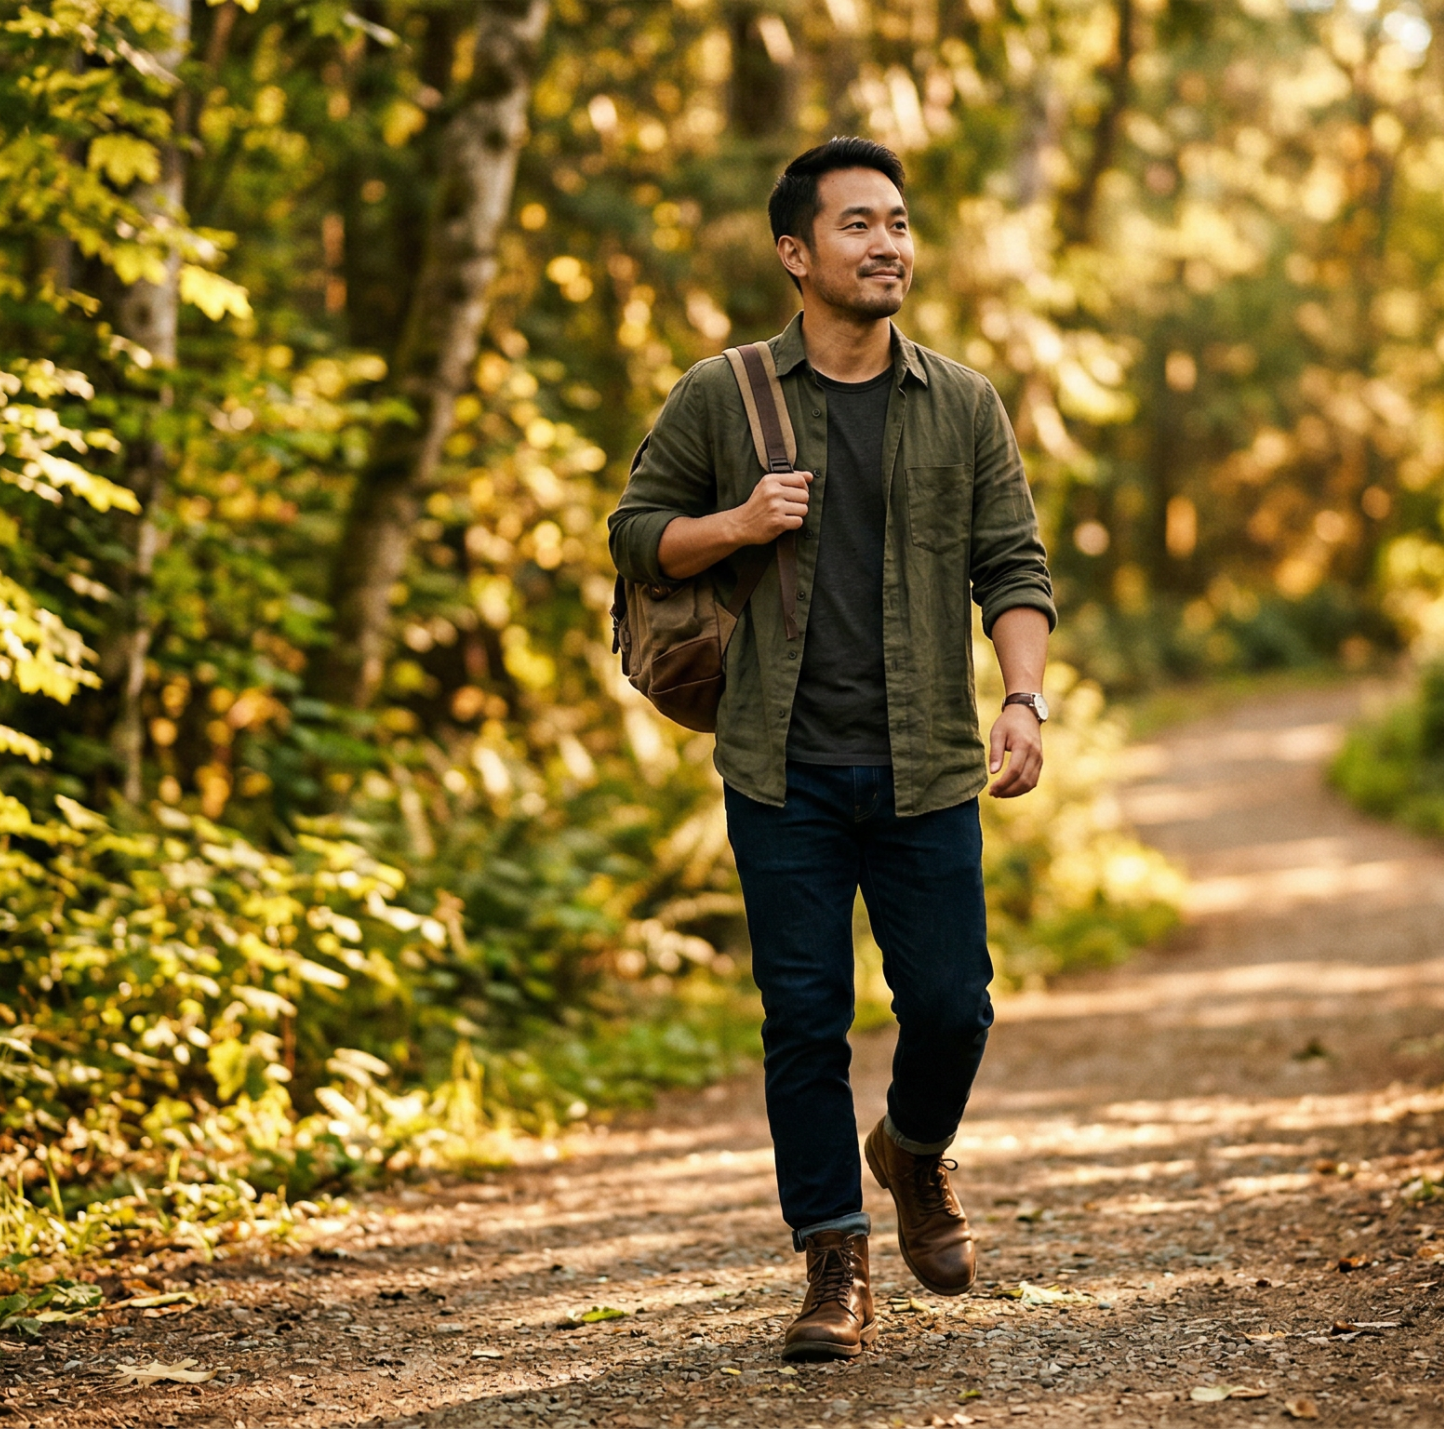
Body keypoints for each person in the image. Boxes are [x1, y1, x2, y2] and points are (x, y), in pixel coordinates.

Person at [607, 137, 1057, 1361]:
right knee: (802, 1021)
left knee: (954, 1006)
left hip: (926, 766)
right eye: (858, 225)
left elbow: (1011, 565)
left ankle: (912, 1150)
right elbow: (636, 534)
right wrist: (736, 522)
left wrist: (1022, 701)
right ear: (796, 254)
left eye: (900, 223)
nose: (889, 245)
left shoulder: (960, 402)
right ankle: (834, 1260)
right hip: (781, 766)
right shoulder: (723, 394)